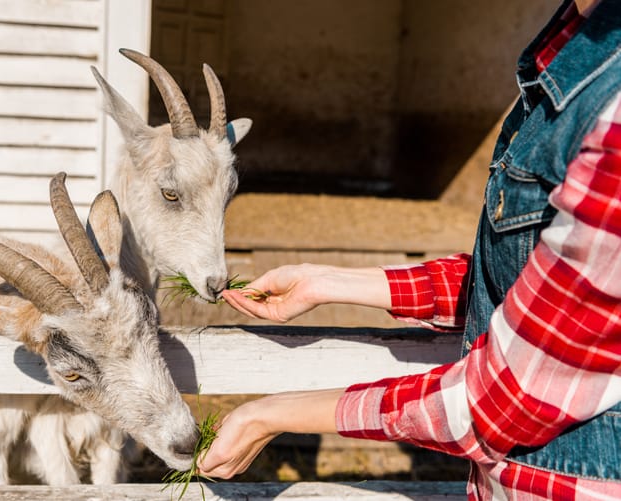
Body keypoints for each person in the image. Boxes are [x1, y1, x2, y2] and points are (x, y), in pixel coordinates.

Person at [197, 0, 621, 499]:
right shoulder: (567, 53)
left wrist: (270, 413)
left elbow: (500, 403)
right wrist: (328, 283)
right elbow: (522, 282)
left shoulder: (610, 110)